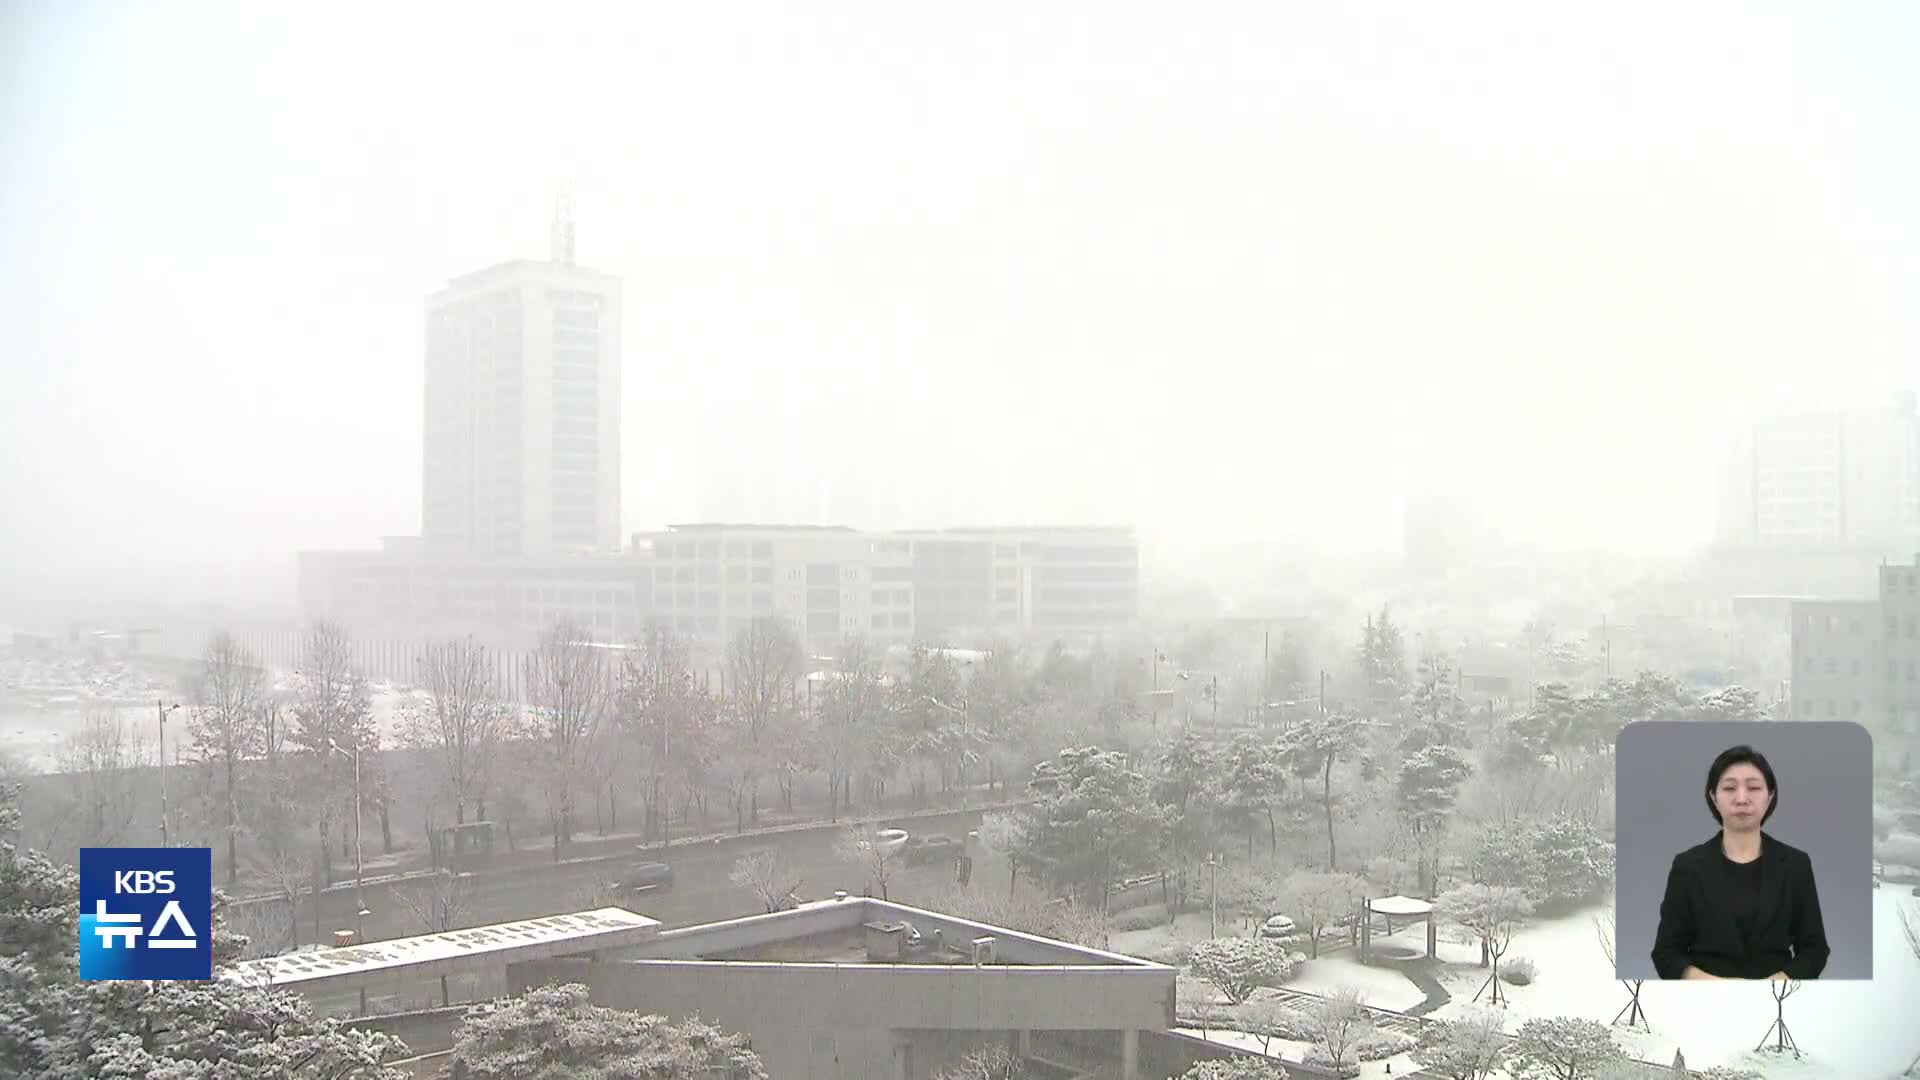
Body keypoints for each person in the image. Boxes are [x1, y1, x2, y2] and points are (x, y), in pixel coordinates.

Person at [1650, 745, 1830, 980]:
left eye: (1754, 788)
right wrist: (1714, 985)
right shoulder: (1687, 866)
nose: (1742, 799)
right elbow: (1666, 953)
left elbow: (1814, 950)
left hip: (1777, 1001)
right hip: (1705, 1001)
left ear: (1770, 796)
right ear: (1713, 796)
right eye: (1729, 788)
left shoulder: (1796, 865)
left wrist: (1776, 984)